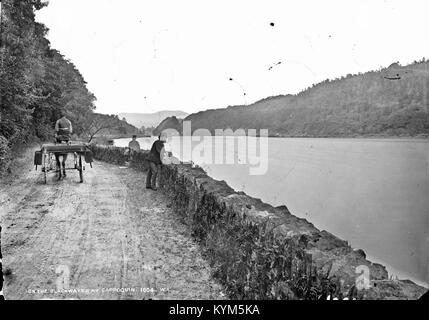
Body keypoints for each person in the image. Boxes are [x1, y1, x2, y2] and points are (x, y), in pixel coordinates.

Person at [54, 112, 73, 180]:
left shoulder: (58, 121)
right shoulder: (69, 121)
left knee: (55, 144)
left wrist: (56, 135)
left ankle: (59, 166)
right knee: (67, 147)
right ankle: (64, 162)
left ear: (60, 116)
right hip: (67, 138)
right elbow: (70, 131)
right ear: (65, 116)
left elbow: (56, 130)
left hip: (59, 138)